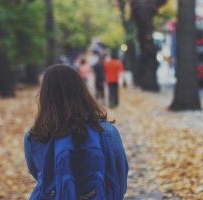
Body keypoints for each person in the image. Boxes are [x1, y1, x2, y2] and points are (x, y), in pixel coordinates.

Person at [24, 65, 128, 200]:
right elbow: (120, 175)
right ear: (82, 91)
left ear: (44, 96)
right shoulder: (107, 132)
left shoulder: (34, 137)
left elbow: (40, 176)